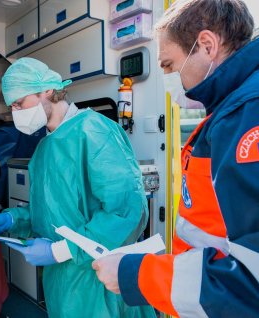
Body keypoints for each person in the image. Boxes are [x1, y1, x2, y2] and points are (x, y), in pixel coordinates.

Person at [92, 0, 259, 317]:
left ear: (207, 45)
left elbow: (251, 283)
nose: (168, 77)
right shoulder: (228, 112)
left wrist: (135, 275)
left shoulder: (246, 116)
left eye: (168, 65)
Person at [0, 57, 156, 318]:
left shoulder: (94, 132)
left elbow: (125, 211)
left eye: (19, 103)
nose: (16, 112)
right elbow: (50, 213)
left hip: (100, 279)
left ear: (47, 91)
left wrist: (58, 250)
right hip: (61, 280)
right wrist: (11, 219)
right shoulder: (44, 149)